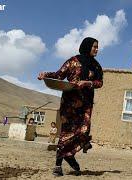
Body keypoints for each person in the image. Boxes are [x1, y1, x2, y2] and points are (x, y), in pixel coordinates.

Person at [37, 37, 103, 176]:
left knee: (83, 131)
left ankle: (69, 155)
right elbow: (59, 75)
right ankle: (58, 165)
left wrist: (87, 83)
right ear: (87, 46)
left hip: (86, 104)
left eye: (97, 47)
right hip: (69, 103)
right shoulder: (73, 61)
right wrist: (45, 75)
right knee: (66, 133)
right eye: (94, 47)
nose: (97, 49)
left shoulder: (96, 66)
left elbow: (99, 82)